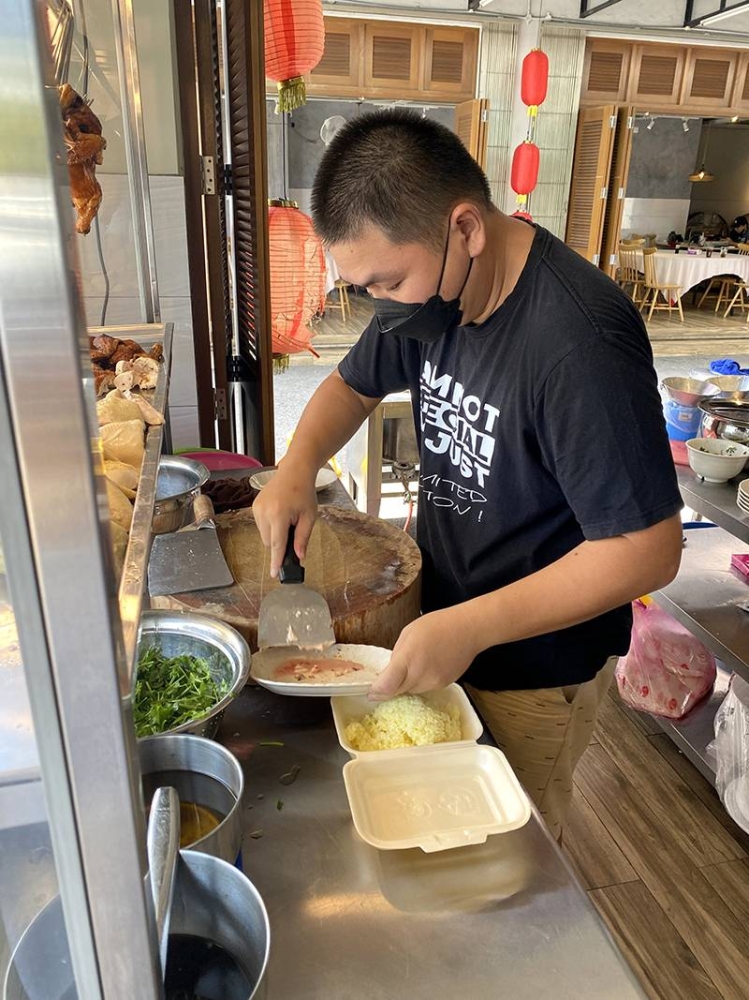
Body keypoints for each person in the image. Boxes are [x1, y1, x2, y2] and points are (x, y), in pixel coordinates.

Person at [253, 110, 683, 840]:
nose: (379, 304)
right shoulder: (428, 298)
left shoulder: (579, 344)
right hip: (449, 624)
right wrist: (296, 466)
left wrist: (472, 624)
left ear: (465, 229)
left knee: (509, 842)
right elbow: (351, 387)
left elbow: (645, 550)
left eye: (387, 281)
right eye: (363, 288)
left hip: (536, 667)